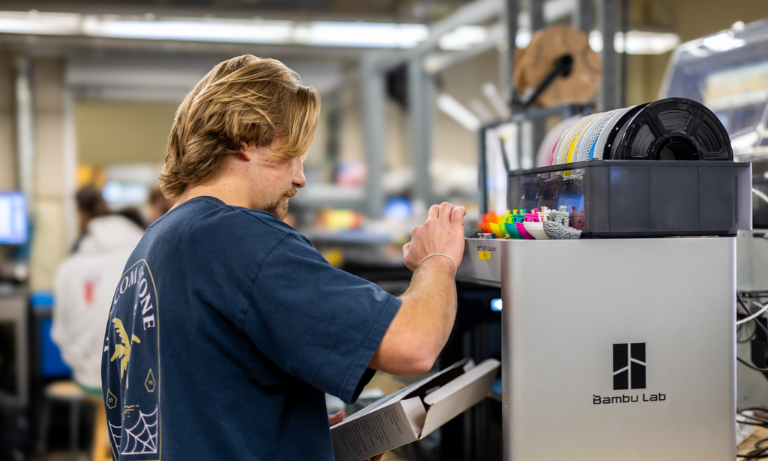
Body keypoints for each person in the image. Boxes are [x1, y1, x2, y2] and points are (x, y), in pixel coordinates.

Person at [101, 55, 466, 461]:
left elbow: (191, 411)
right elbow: (414, 344)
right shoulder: (238, 237)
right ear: (247, 135)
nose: (300, 178)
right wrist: (438, 259)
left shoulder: (152, 247)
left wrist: (298, 437)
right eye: (292, 154)